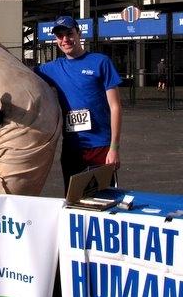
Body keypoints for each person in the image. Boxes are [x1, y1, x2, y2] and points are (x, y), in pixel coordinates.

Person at [33, 16, 122, 194]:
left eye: (69, 34)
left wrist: (114, 148)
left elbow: (116, 107)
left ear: (79, 33)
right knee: (75, 202)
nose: (65, 40)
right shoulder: (53, 68)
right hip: (72, 148)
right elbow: (21, 71)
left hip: (101, 147)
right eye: (60, 36)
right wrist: (0, 50)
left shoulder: (100, 62)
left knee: (103, 202)